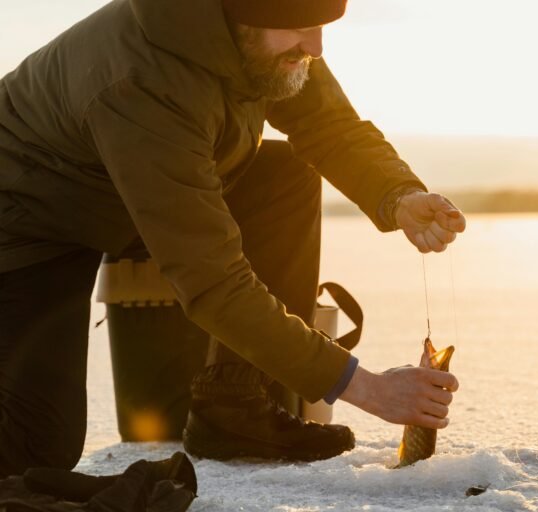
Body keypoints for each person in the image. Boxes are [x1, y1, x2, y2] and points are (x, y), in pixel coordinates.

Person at [0, 0, 465, 474]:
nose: (317, 46)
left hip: (132, 193)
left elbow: (328, 125)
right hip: (28, 224)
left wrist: (398, 195)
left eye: (322, 26)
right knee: (36, 452)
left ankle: (233, 406)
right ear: (243, 16)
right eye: (302, 28)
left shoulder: (262, 39)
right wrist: (367, 387)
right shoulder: (143, 82)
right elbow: (213, 282)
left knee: (284, 176)